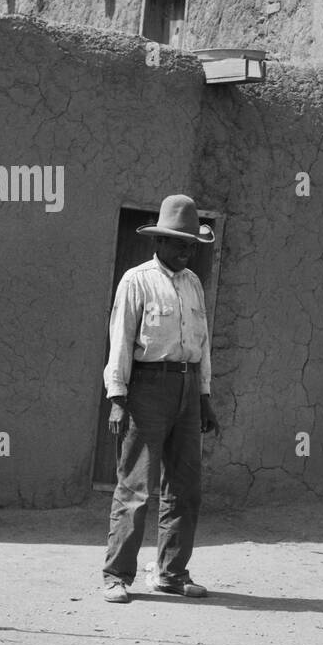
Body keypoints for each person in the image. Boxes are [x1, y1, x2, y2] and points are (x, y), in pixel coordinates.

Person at [100, 195, 221, 603]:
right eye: (180, 243)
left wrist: (203, 397)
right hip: (148, 388)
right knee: (135, 486)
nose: (187, 250)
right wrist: (118, 396)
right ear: (160, 243)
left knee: (185, 488)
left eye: (191, 244)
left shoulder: (193, 284)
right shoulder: (137, 280)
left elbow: (202, 345)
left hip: (187, 388)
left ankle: (171, 573)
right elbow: (120, 340)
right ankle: (117, 575)